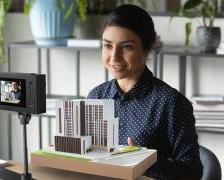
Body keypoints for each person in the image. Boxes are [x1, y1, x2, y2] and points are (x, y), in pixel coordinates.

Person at [87, 4, 203, 180]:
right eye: (107, 46)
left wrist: (144, 161)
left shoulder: (171, 102)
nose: (114, 56)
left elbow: (192, 171)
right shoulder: (96, 96)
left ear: (148, 46)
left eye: (127, 47)